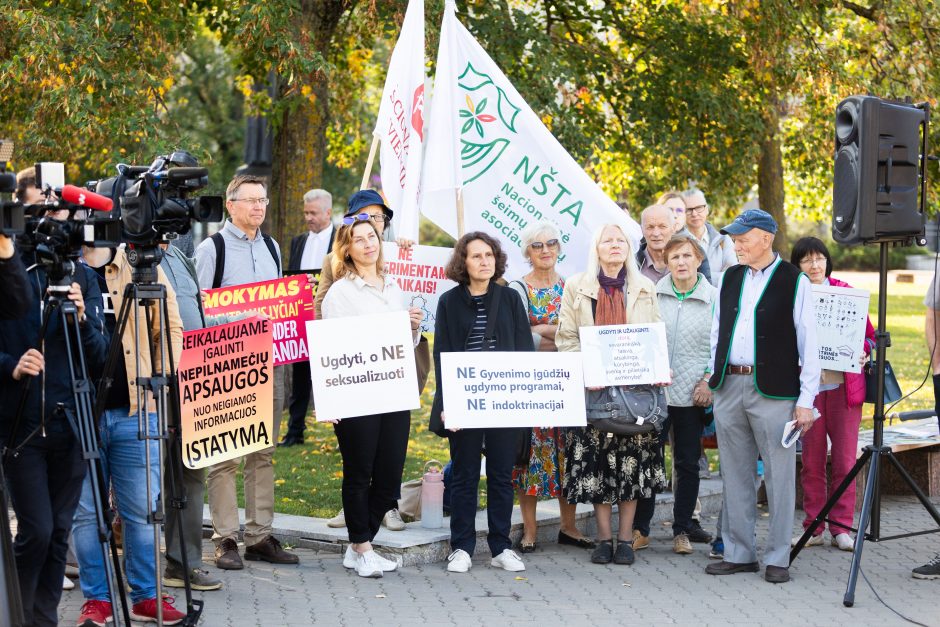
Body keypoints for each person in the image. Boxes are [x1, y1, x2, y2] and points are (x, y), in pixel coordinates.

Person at [0, 202, 109, 626]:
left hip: (71, 424)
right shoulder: (11, 277)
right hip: (21, 425)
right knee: (37, 531)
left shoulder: (84, 277)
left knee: (60, 531)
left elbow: (99, 359)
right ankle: (18, 614)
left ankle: (43, 618)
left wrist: (82, 318)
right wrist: (11, 363)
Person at [73, 244, 187, 624]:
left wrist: (159, 380)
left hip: (136, 410)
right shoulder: (64, 267)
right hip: (77, 415)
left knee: (141, 511)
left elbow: (170, 326)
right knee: (87, 514)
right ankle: (98, 598)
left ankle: (146, 596)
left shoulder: (142, 263)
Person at [704, 209, 819, 584]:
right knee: (735, 472)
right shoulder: (729, 277)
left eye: (743, 238)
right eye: (734, 239)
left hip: (774, 390)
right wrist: (713, 372)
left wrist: (806, 400)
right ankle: (739, 553)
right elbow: (718, 330)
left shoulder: (794, 280)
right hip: (729, 385)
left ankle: (777, 557)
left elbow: (810, 344)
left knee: (779, 475)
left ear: (766, 239)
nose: (736, 245)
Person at [194, 174, 297, 569]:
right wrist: (247, 318)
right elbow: (199, 309)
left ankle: (259, 536)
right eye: (251, 200)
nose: (259, 207)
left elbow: (280, 304)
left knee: (263, 452)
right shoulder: (212, 249)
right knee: (224, 455)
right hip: (227, 364)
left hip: (270, 362)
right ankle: (225, 539)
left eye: (263, 200)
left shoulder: (271, 246)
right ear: (230, 204)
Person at [557, 223, 667, 566]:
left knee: (630, 469)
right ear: (597, 248)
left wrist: (657, 367)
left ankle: (625, 540)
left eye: (621, 240)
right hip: (593, 393)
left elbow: (655, 337)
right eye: (608, 240)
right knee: (598, 468)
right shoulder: (576, 286)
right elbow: (566, 339)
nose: (615, 245)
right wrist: (589, 368)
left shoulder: (644, 287)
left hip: (635, 396)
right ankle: (603, 539)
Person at [321, 216, 422, 577]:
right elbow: (331, 350)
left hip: (393, 393)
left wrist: (412, 328)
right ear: (346, 250)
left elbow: (402, 345)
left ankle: (357, 544)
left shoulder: (393, 287)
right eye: (359, 239)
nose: (368, 244)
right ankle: (364, 548)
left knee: (389, 479)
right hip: (355, 397)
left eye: (372, 237)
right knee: (359, 473)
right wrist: (330, 400)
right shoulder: (340, 293)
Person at [430, 232, 534, 574]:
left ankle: (501, 546)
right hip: (464, 400)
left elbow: (523, 351)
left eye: (489, 255)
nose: (484, 261)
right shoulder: (448, 302)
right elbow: (442, 354)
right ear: (464, 262)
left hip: (504, 401)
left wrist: (525, 398)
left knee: (502, 476)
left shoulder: (509, 300)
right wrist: (447, 403)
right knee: (464, 475)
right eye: (476, 256)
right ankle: (461, 546)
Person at [507, 222, 593, 553]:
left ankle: (568, 527)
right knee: (529, 456)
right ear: (527, 252)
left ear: (559, 248)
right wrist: (555, 332)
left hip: (568, 381)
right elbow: (518, 336)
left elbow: (580, 331)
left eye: (551, 243)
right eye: (537, 245)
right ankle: (529, 531)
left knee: (566, 452)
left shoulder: (572, 287)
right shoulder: (518, 288)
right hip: (532, 383)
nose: (545, 250)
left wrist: (542, 327)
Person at [789, 237, 874, 551]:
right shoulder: (793, 296)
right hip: (808, 393)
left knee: (843, 460)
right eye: (807, 260)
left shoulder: (846, 294)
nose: (814, 265)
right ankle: (813, 526)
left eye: (819, 258)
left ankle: (841, 527)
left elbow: (868, 337)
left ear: (827, 261)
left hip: (843, 389)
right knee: (811, 461)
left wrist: (864, 352)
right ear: (797, 265)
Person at [637, 234, 717, 555]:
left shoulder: (714, 298)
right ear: (665, 263)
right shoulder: (652, 295)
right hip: (655, 395)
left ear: (698, 260)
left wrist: (709, 381)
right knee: (648, 460)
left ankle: (681, 529)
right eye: (674, 258)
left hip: (692, 394)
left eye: (687, 256)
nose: (681, 263)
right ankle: (640, 529)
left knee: (686, 463)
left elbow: (720, 342)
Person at [157, 242, 223, 591]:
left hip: (193, 378)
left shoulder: (179, 255)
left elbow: (197, 314)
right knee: (146, 474)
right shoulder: (125, 254)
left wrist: (240, 323)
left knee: (191, 469)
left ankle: (183, 563)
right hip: (150, 379)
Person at [281, 189, 335, 447]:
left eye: (313, 213)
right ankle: (295, 431)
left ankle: (341, 433)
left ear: (328, 212)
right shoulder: (298, 241)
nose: (308, 218)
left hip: (330, 317)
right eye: (305, 213)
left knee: (333, 375)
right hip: (301, 316)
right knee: (300, 375)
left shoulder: (340, 241)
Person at [682, 188, 736, 285]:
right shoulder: (676, 241)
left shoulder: (723, 239)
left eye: (699, 208)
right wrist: (717, 275)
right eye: (689, 210)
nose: (694, 214)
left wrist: (696, 277)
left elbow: (733, 275)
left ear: (706, 209)